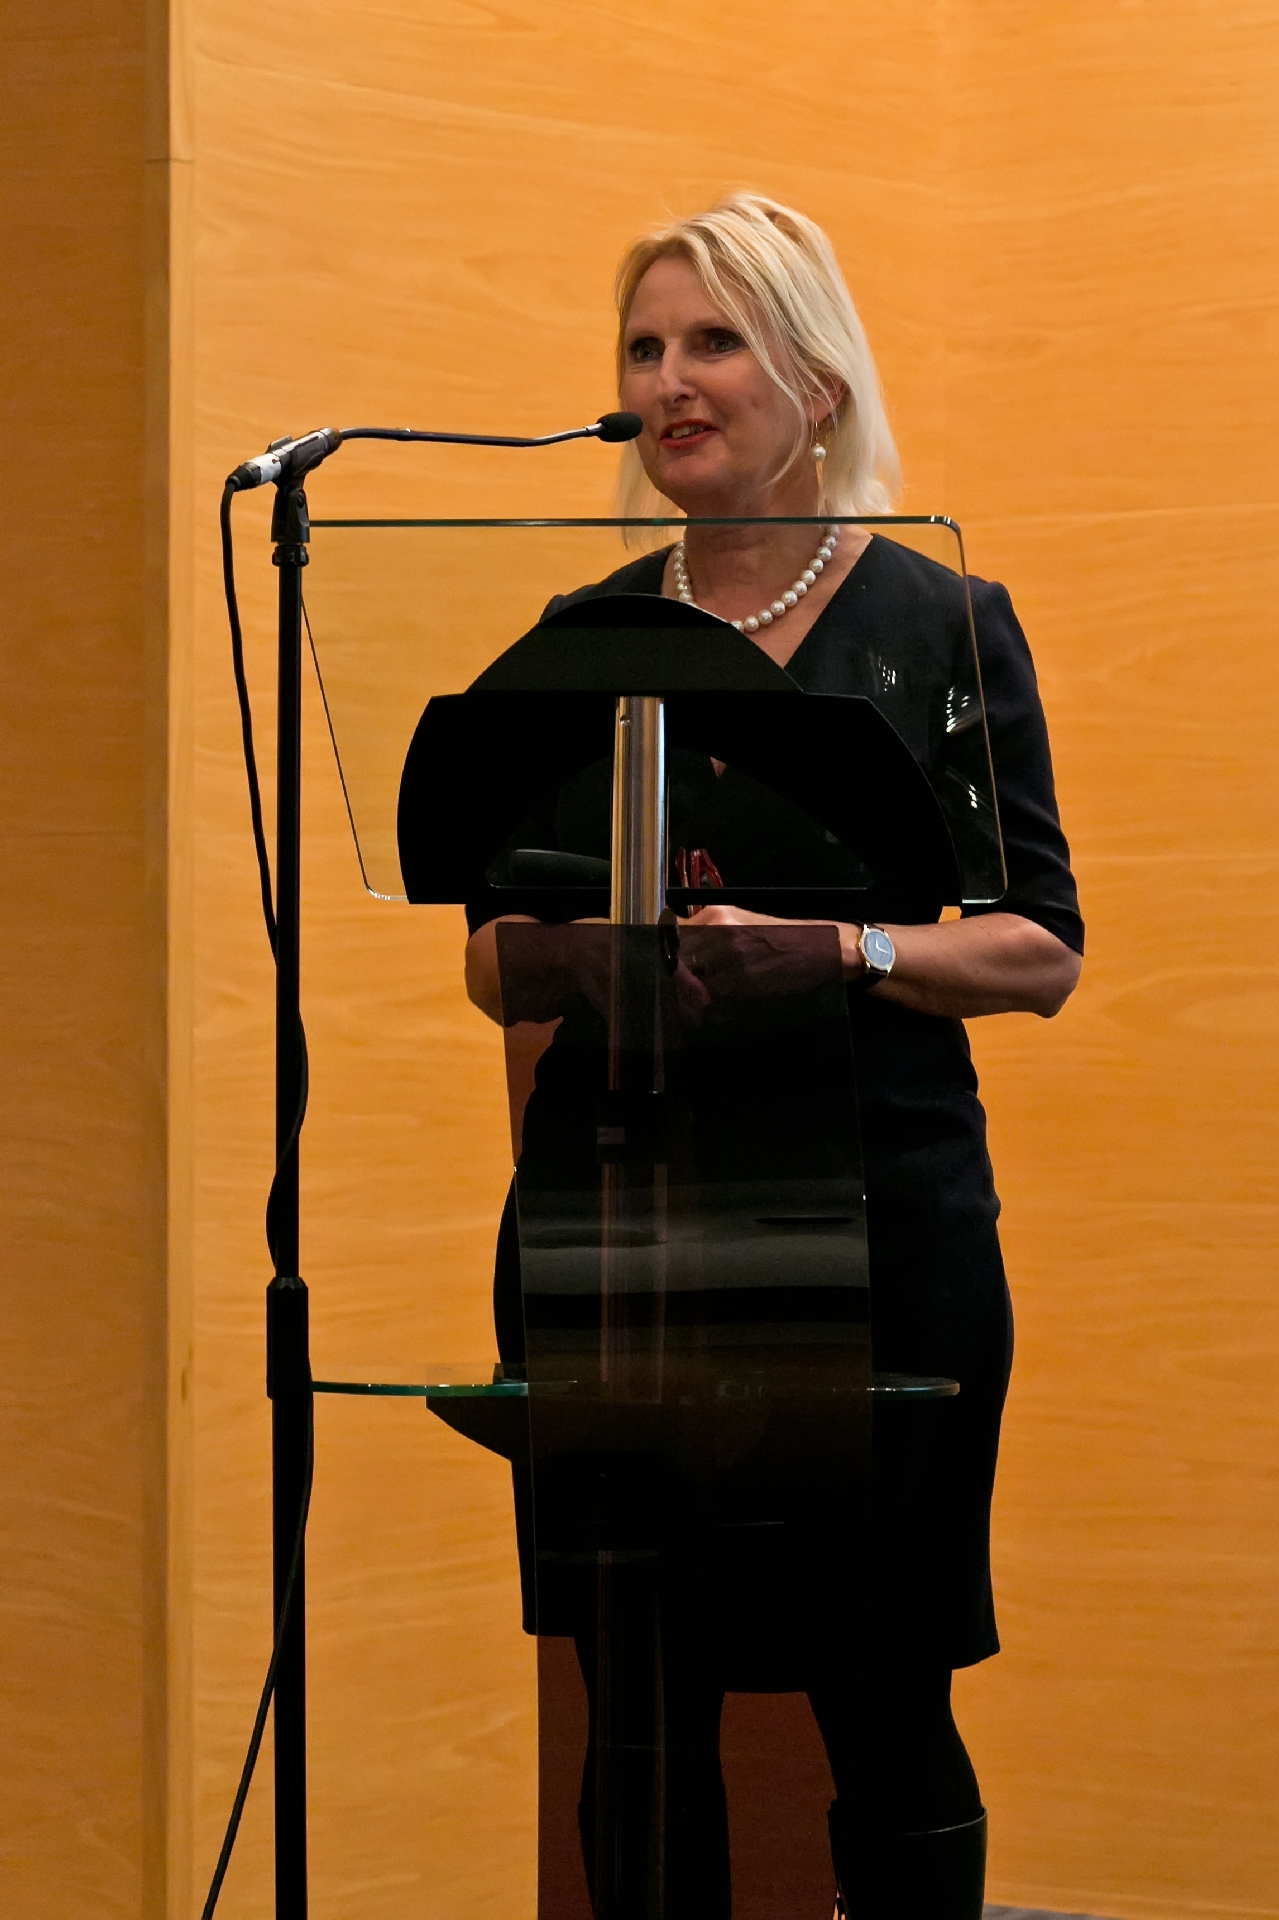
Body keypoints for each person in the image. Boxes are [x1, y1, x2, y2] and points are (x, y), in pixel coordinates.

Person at [463, 193, 1083, 1919]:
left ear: (815, 381)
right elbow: (491, 958)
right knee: (638, 1702)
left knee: (882, 1695)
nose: (669, 381)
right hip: (626, 1241)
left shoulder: (943, 619)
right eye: (644, 347)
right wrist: (592, 955)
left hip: (881, 1233)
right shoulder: (580, 637)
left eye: (714, 341)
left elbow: (1039, 948)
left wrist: (838, 950)